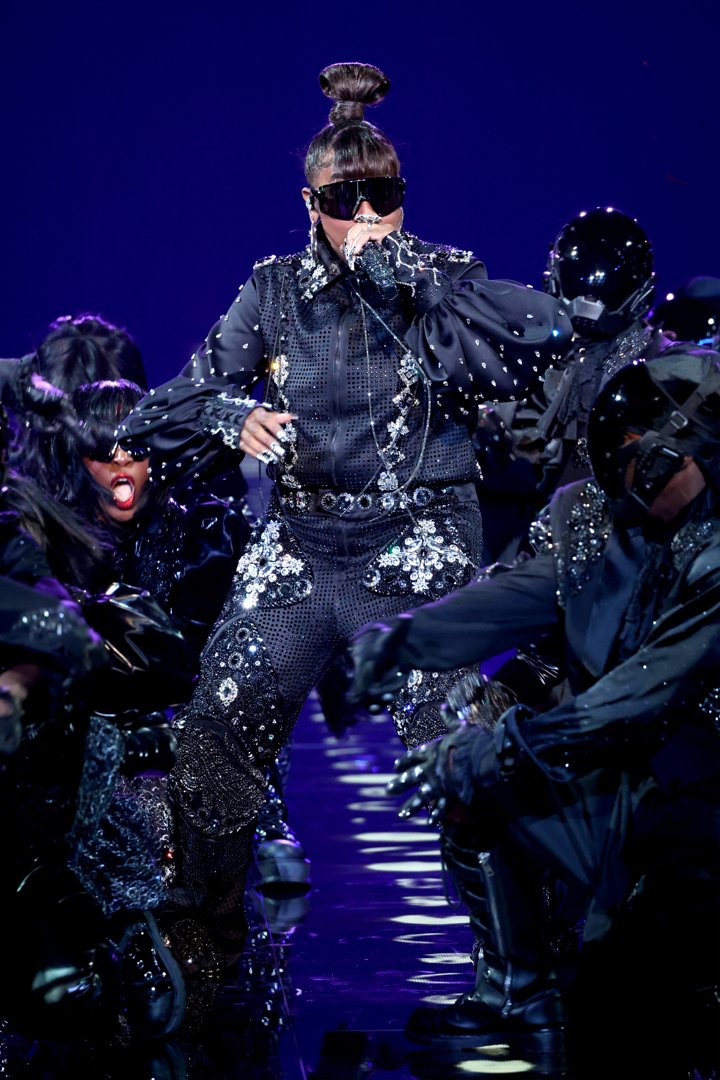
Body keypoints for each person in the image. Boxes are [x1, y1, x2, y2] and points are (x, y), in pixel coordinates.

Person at [117, 60, 572, 963]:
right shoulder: (275, 292)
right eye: (346, 200)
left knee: (457, 740)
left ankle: (520, 966)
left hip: (418, 534)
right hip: (299, 541)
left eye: (386, 195)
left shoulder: (447, 275)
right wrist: (231, 415)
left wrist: (427, 285)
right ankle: (201, 947)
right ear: (309, 202)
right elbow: (154, 412)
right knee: (220, 716)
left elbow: (542, 339)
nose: (367, 216)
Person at [348, 344, 720, 1078]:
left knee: (641, 1023)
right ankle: (520, 989)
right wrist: (396, 642)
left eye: (642, 463)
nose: (630, 484)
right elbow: (523, 596)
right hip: (640, 791)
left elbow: (640, 695)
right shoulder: (609, 521)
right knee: (475, 781)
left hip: (701, 810)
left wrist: (507, 746)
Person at [474, 207, 669, 563]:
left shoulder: (655, 360)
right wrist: (482, 429)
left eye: (604, 286)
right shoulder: (520, 337)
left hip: (601, 540)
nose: (589, 301)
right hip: (499, 529)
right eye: (580, 282)